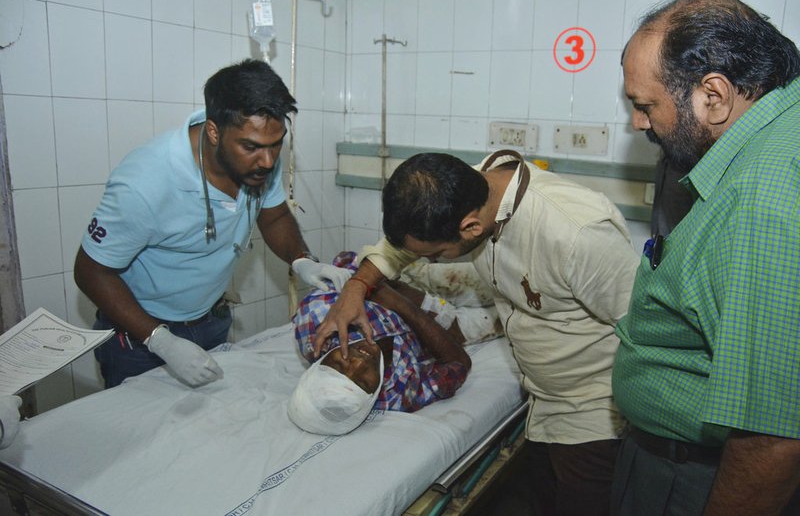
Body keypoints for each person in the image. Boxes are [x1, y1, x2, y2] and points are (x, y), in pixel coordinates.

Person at [314, 150, 640, 515]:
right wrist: (357, 286)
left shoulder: (578, 232)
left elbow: (644, 332)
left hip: (591, 415)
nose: (432, 263)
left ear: (470, 228)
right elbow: (398, 249)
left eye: (436, 256)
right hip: (541, 402)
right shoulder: (467, 188)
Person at [611, 0, 800, 514]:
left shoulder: (762, 196)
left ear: (713, 95)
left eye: (646, 105)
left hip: (698, 478)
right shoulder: (781, 131)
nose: (638, 124)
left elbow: (773, 435)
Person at [74, 59, 350, 389]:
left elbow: (273, 215)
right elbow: (90, 271)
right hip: (139, 338)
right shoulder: (145, 183)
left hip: (211, 320)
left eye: (277, 144)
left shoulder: (259, 165)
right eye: (252, 147)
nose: (268, 161)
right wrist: (159, 340)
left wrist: (302, 260)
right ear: (214, 131)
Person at [288, 251, 503, 434]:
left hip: (410, 284)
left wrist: (394, 293)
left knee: (500, 275)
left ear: (317, 365)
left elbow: (352, 263)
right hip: (444, 328)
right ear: (370, 400)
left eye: (338, 365)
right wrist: (399, 304)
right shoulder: (396, 394)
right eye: (362, 382)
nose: (359, 363)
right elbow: (458, 364)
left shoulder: (315, 316)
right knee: (516, 307)